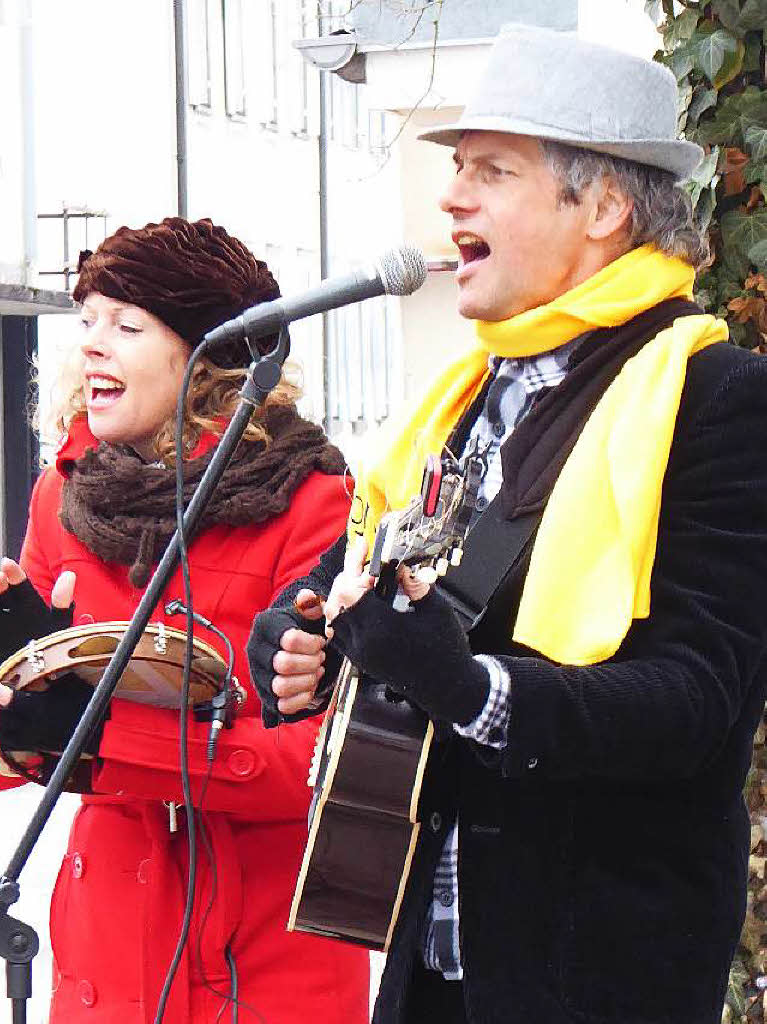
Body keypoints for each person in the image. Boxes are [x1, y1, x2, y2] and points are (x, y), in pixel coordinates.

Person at [248, 25, 767, 1024]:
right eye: (454, 169)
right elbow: (358, 580)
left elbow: (695, 700)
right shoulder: (462, 403)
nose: (449, 197)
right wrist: (300, 635)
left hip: (594, 981)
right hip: (431, 966)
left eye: (491, 170)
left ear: (604, 206)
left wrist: (463, 684)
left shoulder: (715, 400)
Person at [0, 218, 369, 1023]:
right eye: (88, 320)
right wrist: (13, 694)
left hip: (260, 963)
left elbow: (322, 766)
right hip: (101, 957)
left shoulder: (312, 503)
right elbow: (33, 750)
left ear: (211, 361)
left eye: (127, 326)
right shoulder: (62, 496)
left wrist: (100, 735)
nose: (92, 346)